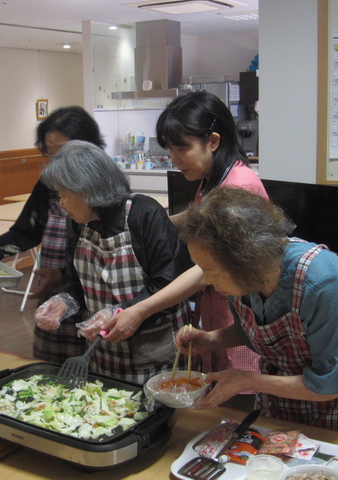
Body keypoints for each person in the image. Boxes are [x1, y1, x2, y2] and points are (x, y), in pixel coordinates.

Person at [174, 187, 338, 436]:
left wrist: (247, 380)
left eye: (212, 270)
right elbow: (260, 331)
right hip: (284, 384)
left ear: (246, 258)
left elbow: (331, 384)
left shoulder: (321, 282)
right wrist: (212, 339)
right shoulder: (245, 278)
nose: (208, 281)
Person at [107, 91, 265, 380]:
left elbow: (206, 272)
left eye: (182, 149)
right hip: (219, 304)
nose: (175, 159)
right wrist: (148, 223)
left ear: (213, 141)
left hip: (238, 306)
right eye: (171, 150)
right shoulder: (213, 178)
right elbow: (195, 218)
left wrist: (140, 310)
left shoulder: (238, 189)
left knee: (237, 386)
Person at [35, 140, 192, 384]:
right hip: (104, 354)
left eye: (64, 195)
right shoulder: (77, 223)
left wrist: (122, 311)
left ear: (88, 190)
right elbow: (75, 282)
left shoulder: (144, 214)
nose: (61, 204)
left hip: (156, 354)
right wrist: (64, 301)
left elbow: (171, 284)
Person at [0, 106, 105, 362]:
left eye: (63, 152)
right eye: (51, 153)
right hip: (55, 299)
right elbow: (25, 233)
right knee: (52, 371)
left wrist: (64, 275)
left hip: (98, 300)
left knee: (95, 372)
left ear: (90, 147)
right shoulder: (49, 184)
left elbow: (112, 256)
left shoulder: (105, 186)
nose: (56, 161)